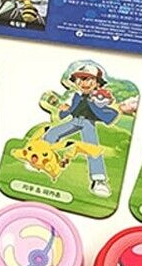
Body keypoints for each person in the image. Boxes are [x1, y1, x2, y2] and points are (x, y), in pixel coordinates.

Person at [41, 61, 117, 197]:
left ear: (97, 83)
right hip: (75, 120)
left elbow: (104, 108)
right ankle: (39, 157)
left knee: (92, 147)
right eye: (80, 79)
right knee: (52, 133)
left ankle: (99, 180)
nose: (83, 82)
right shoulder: (76, 96)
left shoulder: (96, 98)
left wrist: (101, 101)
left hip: (88, 123)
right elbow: (70, 109)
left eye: (88, 79)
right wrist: (63, 110)